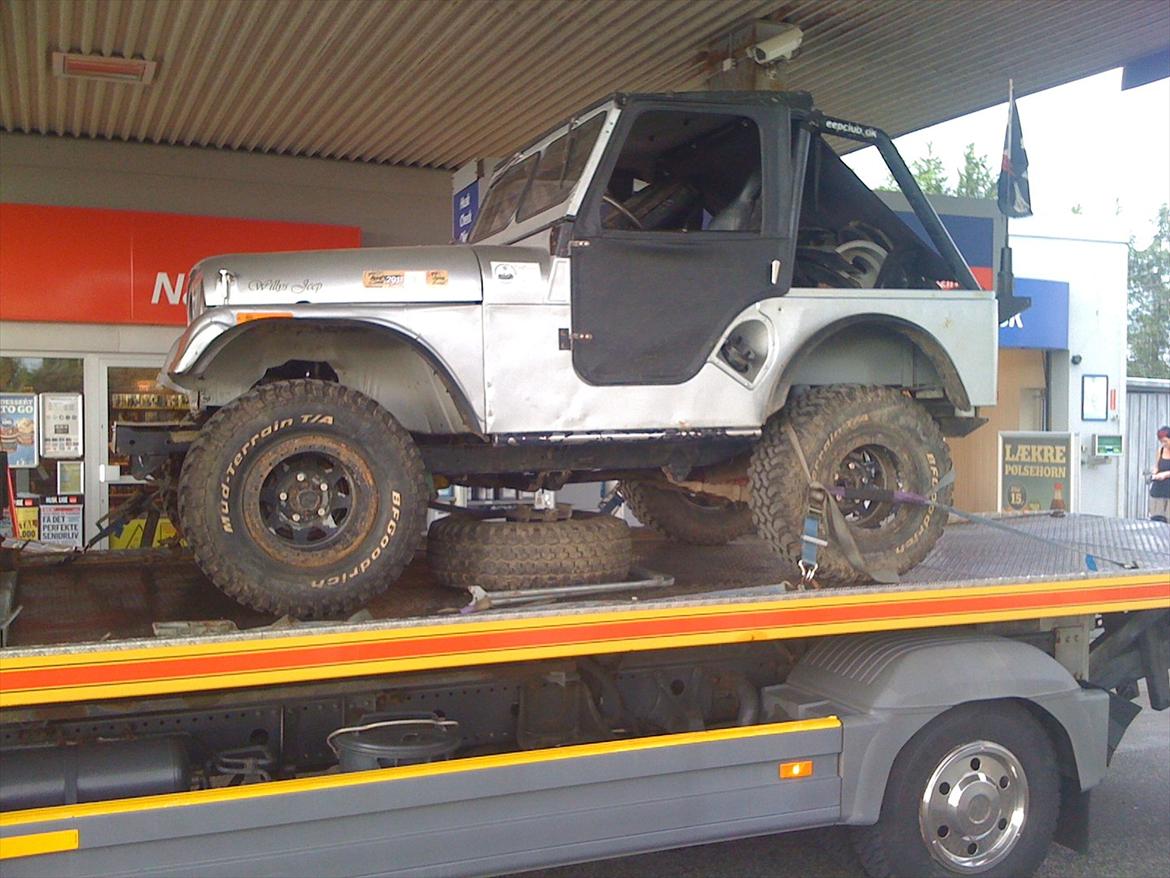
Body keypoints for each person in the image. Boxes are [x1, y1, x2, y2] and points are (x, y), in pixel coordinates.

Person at [1150, 425, 1170, 523]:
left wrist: (1165, 474)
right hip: (1158, 492)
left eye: (1165, 441)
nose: (1163, 444)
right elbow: (1157, 466)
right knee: (1156, 520)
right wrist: (1154, 473)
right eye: (1161, 441)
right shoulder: (1160, 451)